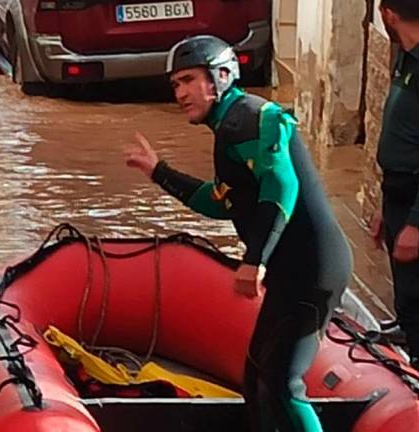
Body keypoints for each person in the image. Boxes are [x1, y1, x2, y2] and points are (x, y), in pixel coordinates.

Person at [125, 35, 352, 432]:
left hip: (313, 268)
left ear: (222, 76)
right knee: (256, 375)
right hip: (292, 271)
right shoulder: (231, 126)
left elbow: (283, 187)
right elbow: (219, 201)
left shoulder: (248, 117)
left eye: (189, 79)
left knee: (283, 384)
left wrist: (254, 260)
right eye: (175, 83)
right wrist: (158, 171)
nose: (180, 92)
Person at [369, 0, 419, 368]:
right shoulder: (406, 57)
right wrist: (383, 207)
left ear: (388, 15)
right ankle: (408, 334)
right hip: (397, 190)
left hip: (415, 194)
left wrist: (416, 224)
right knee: (406, 289)